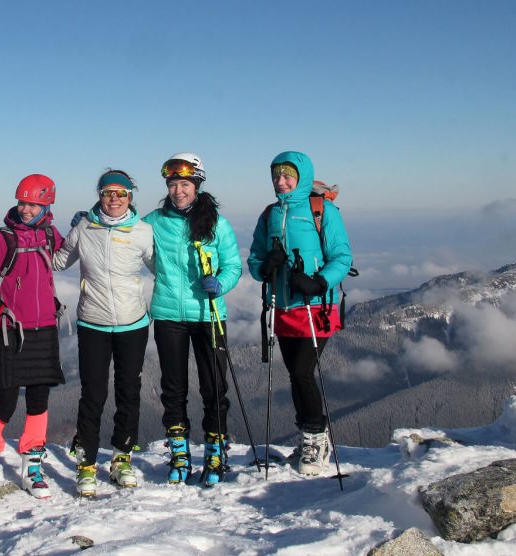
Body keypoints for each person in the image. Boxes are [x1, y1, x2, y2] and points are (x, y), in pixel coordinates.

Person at [246, 151, 353, 475]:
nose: (281, 181)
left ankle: (316, 441)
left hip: (317, 307)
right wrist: (266, 266)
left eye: (287, 175)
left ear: (301, 177)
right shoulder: (269, 215)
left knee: (304, 371)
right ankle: (310, 439)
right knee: (295, 373)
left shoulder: (322, 211)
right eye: (276, 176)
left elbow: (342, 256)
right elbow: (254, 260)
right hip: (285, 307)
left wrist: (319, 281)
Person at [53, 170, 154, 497]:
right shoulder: (84, 228)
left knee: (129, 390)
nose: (114, 198)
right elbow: (56, 262)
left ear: (130, 197)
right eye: (108, 192)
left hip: (133, 323)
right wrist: (16, 242)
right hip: (93, 323)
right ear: (99, 195)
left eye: (121, 193)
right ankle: (86, 464)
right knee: (92, 394)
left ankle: (122, 458)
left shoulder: (143, 232)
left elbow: (163, 267)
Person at [144, 153, 242, 486]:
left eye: (184, 184)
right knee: (174, 388)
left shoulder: (217, 223)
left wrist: (222, 283)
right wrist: (92, 222)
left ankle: (216, 450)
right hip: (169, 314)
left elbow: (233, 266)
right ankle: (180, 452)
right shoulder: (155, 221)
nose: (178, 190)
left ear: (196, 185)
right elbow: (127, 234)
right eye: (173, 184)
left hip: (209, 313)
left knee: (214, 385)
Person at [0, 173, 66, 499]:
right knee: (6, 398)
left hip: (44, 328)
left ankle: (32, 464)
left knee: (39, 399)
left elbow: (71, 255)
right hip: (9, 331)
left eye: (33, 203)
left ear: (46, 204)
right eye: (22, 202)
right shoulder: (2, 239)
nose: (25, 209)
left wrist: (86, 225)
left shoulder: (50, 235)